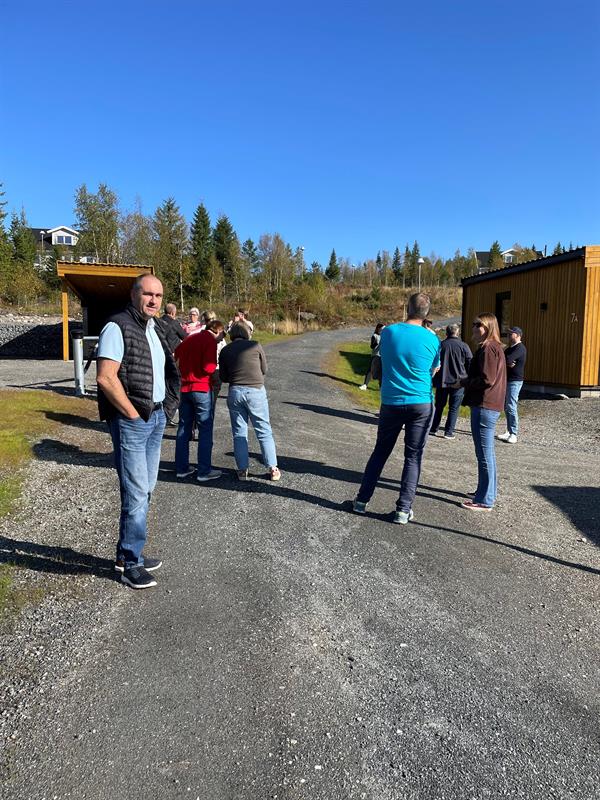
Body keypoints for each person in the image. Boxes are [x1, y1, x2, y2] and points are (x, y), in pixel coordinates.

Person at [96, 274, 180, 589]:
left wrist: (168, 407)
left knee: (146, 489)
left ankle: (127, 553)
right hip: (134, 421)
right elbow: (106, 378)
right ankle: (131, 563)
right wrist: (131, 414)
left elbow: (166, 371)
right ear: (134, 294)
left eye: (158, 295)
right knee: (136, 492)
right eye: (148, 294)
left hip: (156, 416)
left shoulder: (154, 328)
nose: (154, 300)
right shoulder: (117, 326)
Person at [353, 293, 440, 524]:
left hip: (391, 401)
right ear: (427, 314)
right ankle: (403, 509)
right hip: (421, 402)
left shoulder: (389, 332)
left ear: (407, 308)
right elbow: (433, 370)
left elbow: (383, 358)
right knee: (413, 456)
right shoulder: (432, 339)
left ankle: (361, 501)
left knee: (380, 451)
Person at [219, 321, 280, 481]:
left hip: (235, 392)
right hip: (255, 391)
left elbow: (223, 377)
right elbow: (264, 369)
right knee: (263, 430)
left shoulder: (225, 350)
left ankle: (242, 470)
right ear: (247, 333)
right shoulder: (256, 345)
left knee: (239, 433)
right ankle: (272, 468)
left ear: (232, 335)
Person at [461, 313, 507, 512]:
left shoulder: (488, 349)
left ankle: (485, 500)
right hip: (489, 405)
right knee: (487, 453)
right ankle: (485, 492)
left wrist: (464, 382)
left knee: (484, 454)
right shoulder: (495, 348)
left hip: (484, 404)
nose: (474, 328)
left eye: (478, 325)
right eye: (473, 324)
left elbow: (487, 379)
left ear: (488, 327)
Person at [173, 322, 222, 482]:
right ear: (218, 330)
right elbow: (208, 367)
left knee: (184, 428)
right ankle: (204, 471)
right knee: (205, 429)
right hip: (201, 388)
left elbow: (176, 354)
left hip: (184, 389)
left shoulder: (190, 338)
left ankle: (181, 468)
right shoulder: (209, 341)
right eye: (222, 335)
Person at [429, 324, 472, 439]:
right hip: (459, 381)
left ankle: (433, 428)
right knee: (454, 408)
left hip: (442, 381)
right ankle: (448, 432)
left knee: (439, 406)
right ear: (457, 333)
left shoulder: (441, 345)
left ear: (447, 333)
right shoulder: (463, 346)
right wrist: (467, 377)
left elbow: (433, 361)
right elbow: (470, 362)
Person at [498, 326, 527, 444]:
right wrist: (507, 362)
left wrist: (507, 361)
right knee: (506, 406)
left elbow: (508, 359)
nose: (509, 335)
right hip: (507, 379)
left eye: (512, 334)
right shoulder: (510, 348)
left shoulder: (520, 348)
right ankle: (509, 431)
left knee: (511, 405)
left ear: (518, 335)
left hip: (515, 381)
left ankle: (514, 433)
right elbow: (502, 359)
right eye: (509, 334)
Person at [359, 323, 385, 390]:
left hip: (382, 356)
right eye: (382, 329)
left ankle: (381, 387)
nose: (383, 330)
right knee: (370, 370)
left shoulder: (385, 337)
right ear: (378, 329)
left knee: (381, 372)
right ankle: (365, 385)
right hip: (375, 355)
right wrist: (377, 344)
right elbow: (372, 346)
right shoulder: (375, 336)